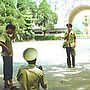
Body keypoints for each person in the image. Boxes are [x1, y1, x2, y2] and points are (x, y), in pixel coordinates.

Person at [0, 24, 16, 88]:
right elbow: (0, 42)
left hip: (9, 55)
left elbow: (13, 37)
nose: (12, 32)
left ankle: (8, 82)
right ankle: (8, 82)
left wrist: (14, 30)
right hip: (6, 54)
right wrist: (7, 49)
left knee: (9, 68)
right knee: (7, 68)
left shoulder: (7, 36)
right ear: (9, 29)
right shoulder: (3, 35)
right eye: (11, 30)